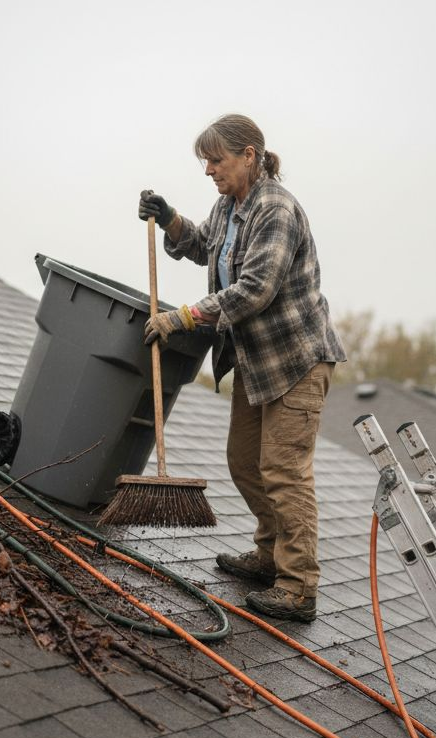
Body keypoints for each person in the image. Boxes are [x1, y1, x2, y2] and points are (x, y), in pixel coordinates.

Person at [138, 114, 346, 622]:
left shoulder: (275, 208)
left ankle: (298, 588)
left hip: (296, 359)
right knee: (244, 463)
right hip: (256, 361)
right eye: (205, 162)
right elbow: (204, 245)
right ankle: (270, 554)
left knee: (284, 471)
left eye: (216, 160)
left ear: (249, 156)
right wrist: (169, 220)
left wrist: (183, 317)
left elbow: (255, 289)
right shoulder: (230, 206)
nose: (209, 169)